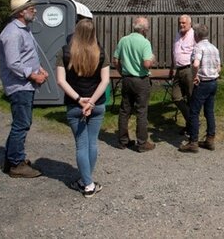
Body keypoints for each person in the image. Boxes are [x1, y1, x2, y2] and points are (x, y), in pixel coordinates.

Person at [56, 19, 109, 197]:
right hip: (97, 103)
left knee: (81, 145)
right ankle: (87, 180)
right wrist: (92, 102)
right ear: (94, 33)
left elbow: (60, 81)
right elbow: (105, 81)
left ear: (76, 31)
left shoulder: (64, 52)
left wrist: (80, 100)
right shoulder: (101, 52)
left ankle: (87, 184)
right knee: (92, 143)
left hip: (74, 104)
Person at [0, 0, 48, 178]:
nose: (34, 10)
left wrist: (40, 69)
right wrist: (34, 75)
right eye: (31, 8)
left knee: (21, 123)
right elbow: (13, 63)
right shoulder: (12, 33)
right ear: (21, 12)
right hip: (19, 86)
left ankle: (11, 160)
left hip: (24, 85)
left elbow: (28, 55)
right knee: (22, 124)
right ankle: (16, 164)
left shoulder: (23, 29)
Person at [113, 17, 156, 153]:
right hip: (141, 80)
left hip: (126, 79)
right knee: (141, 111)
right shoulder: (145, 43)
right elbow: (146, 64)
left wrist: (121, 72)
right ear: (144, 29)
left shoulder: (123, 40)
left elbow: (115, 60)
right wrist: (152, 59)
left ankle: (123, 141)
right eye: (147, 28)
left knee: (125, 110)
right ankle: (142, 142)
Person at [179, 24, 221, 153]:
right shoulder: (214, 48)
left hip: (202, 83)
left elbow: (196, 64)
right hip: (213, 82)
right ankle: (210, 139)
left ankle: (193, 142)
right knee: (209, 111)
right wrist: (215, 73)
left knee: (194, 112)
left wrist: (195, 76)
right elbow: (219, 67)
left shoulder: (198, 47)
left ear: (196, 35)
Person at [169, 15, 195, 134]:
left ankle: (191, 126)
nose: (181, 25)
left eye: (184, 23)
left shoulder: (194, 35)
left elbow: (200, 51)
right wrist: (172, 67)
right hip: (178, 70)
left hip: (189, 69)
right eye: (180, 23)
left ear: (190, 23)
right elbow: (175, 51)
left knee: (191, 98)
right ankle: (191, 121)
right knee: (176, 97)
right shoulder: (178, 34)